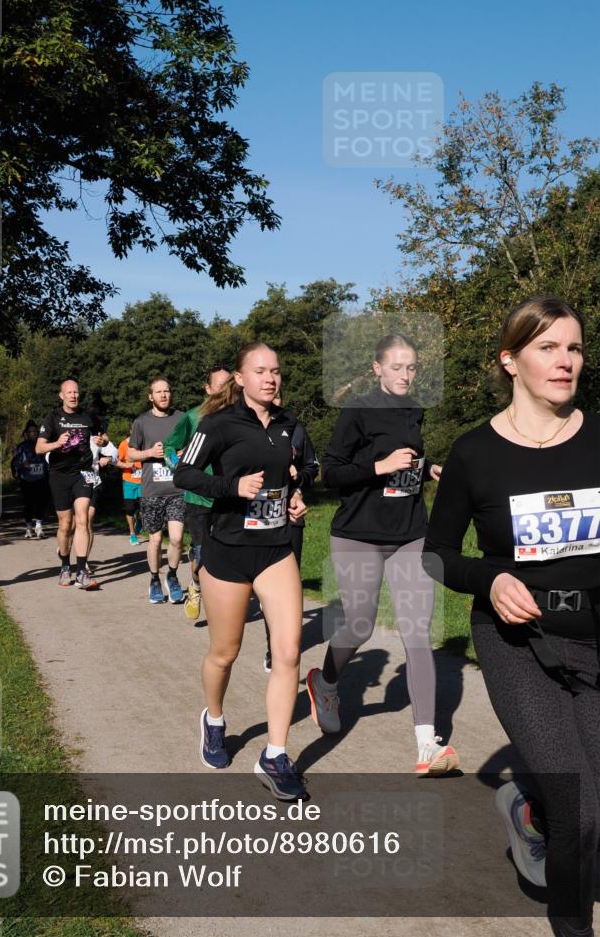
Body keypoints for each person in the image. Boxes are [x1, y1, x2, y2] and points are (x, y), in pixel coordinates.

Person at [423, 296, 599, 937]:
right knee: (580, 809)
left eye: (574, 347)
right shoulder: (475, 453)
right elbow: (435, 556)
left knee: (591, 808)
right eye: (548, 347)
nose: (565, 361)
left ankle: (529, 809)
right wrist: (489, 577)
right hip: (517, 644)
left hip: (593, 639)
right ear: (511, 360)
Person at [306, 333, 459, 777]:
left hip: (410, 532)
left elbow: (409, 455)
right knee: (359, 624)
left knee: (418, 632)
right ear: (377, 368)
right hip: (359, 533)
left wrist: (429, 468)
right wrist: (381, 467)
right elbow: (330, 472)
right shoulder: (357, 411)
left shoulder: (414, 409)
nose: (405, 375)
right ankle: (326, 682)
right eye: (397, 367)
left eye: (411, 368)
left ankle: (427, 744)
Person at [174, 342, 309, 801]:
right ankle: (214, 719)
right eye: (260, 371)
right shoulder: (217, 424)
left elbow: (296, 474)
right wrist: (232, 486)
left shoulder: (289, 425)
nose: (270, 378)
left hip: (275, 549)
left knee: (288, 653)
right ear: (240, 377)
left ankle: (275, 754)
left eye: (275, 371)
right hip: (228, 549)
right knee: (225, 653)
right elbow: (185, 475)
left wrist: (295, 494)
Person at [163, 364, 232, 621]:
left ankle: (222, 602)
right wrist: (181, 471)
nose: (225, 390)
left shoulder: (241, 416)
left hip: (230, 497)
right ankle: (196, 585)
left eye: (229, 384)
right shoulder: (193, 417)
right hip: (198, 498)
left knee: (228, 553)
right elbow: (169, 447)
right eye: (219, 385)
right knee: (203, 555)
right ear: (207, 389)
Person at [261, 390, 319, 670]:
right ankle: (272, 641)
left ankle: (280, 648)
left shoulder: (296, 429)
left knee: (288, 584)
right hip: (256, 518)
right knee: (264, 588)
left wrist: (300, 476)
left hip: (291, 513)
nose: (274, 399)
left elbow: (313, 466)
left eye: (278, 395)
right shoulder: (244, 429)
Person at [36, 379, 106, 590]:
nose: (73, 396)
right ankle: (65, 565)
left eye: (76, 392)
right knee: (65, 524)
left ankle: (82, 571)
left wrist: (101, 441)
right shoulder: (53, 417)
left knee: (83, 519)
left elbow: (102, 435)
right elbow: (39, 448)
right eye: (69, 392)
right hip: (59, 475)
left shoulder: (88, 416)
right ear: (61, 395)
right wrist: (57, 443)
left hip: (83, 473)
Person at [128, 377, 185, 604]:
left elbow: (195, 445)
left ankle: (172, 575)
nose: (164, 395)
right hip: (152, 491)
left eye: (167, 391)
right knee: (155, 539)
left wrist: (184, 453)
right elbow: (131, 454)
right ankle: (154, 579)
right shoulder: (141, 422)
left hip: (177, 489)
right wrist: (150, 453)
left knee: (178, 538)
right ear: (150, 396)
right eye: (159, 392)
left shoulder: (182, 419)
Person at [11, 420, 49, 539]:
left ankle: (38, 526)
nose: (33, 433)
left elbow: (48, 460)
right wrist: (22, 464)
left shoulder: (43, 444)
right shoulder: (21, 447)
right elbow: (15, 463)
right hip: (26, 479)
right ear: (26, 433)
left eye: (35, 431)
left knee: (41, 502)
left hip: (41, 478)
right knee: (28, 504)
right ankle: (28, 528)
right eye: (30, 431)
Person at [116, 434, 143, 544]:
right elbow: (116, 461)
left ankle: (140, 521)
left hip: (144, 482)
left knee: (144, 508)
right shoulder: (124, 444)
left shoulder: (145, 443)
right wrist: (126, 466)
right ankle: (132, 534)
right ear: (132, 431)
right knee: (130, 508)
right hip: (129, 481)